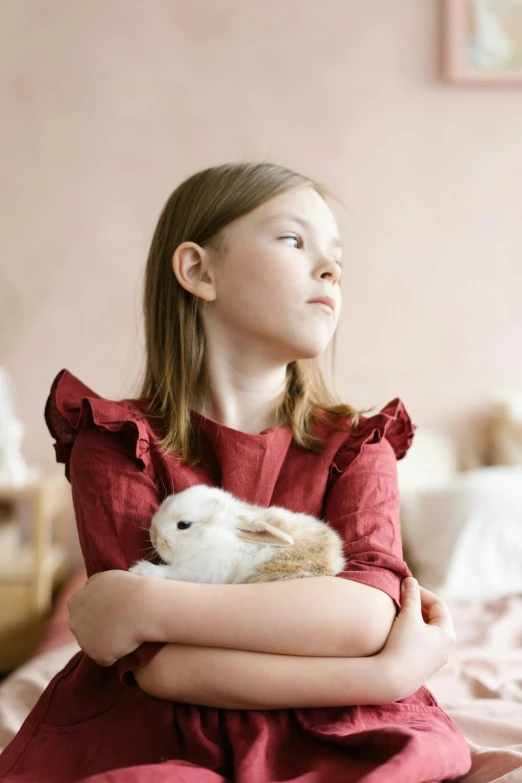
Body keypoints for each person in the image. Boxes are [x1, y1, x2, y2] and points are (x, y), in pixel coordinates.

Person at [0, 162, 472, 782]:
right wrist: (364, 655)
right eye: (293, 240)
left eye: (337, 257)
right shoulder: (115, 444)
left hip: (347, 722)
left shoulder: (360, 445)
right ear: (199, 270)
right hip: (161, 728)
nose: (330, 269)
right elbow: (159, 668)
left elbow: (364, 616)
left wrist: (145, 601)